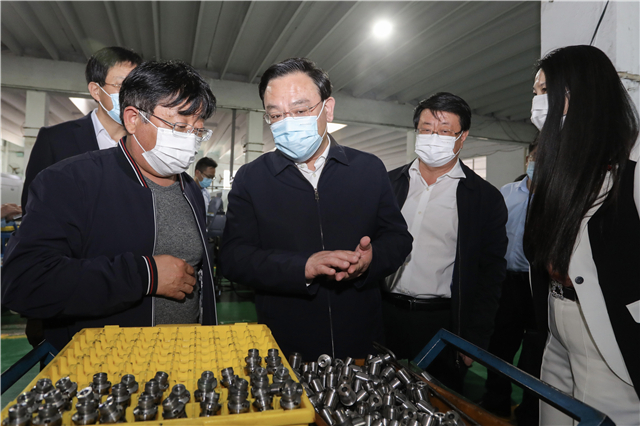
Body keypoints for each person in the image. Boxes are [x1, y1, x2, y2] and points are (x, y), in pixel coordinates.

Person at [2, 60, 219, 351]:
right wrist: (145, 275)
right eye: (179, 126)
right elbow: (24, 282)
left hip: (184, 355)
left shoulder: (189, 189)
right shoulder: (71, 181)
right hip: (107, 365)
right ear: (133, 119)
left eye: (197, 131)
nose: (190, 141)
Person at [220, 57, 412, 361]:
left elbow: (398, 238)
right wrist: (303, 267)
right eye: (276, 115)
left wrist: (371, 259)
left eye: (300, 110)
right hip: (286, 342)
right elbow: (234, 257)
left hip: (360, 337)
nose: (288, 122)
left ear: (328, 108)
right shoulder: (252, 178)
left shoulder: (368, 169)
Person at [524, 45, 640, 425]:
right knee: (553, 413)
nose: (536, 104)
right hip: (557, 318)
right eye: (535, 92)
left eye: (546, 91)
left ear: (582, 95)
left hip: (608, 328)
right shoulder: (560, 169)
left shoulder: (632, 167)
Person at [385, 92, 507, 391]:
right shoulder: (388, 184)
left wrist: (474, 340)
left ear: (462, 137)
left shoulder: (484, 198)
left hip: (443, 322)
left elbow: (490, 274)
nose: (433, 138)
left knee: (437, 401)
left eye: (444, 131)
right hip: (384, 314)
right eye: (426, 130)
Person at [22, 46, 142, 212]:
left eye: (137, 87)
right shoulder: (55, 140)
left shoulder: (147, 142)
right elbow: (32, 204)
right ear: (96, 91)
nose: (131, 95)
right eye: (121, 85)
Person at [481, 143, 540, 424]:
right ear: (527, 159)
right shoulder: (507, 192)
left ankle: (530, 410)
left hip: (538, 285)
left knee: (535, 352)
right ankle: (496, 403)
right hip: (506, 282)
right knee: (500, 344)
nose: (538, 164)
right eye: (535, 158)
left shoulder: (556, 198)